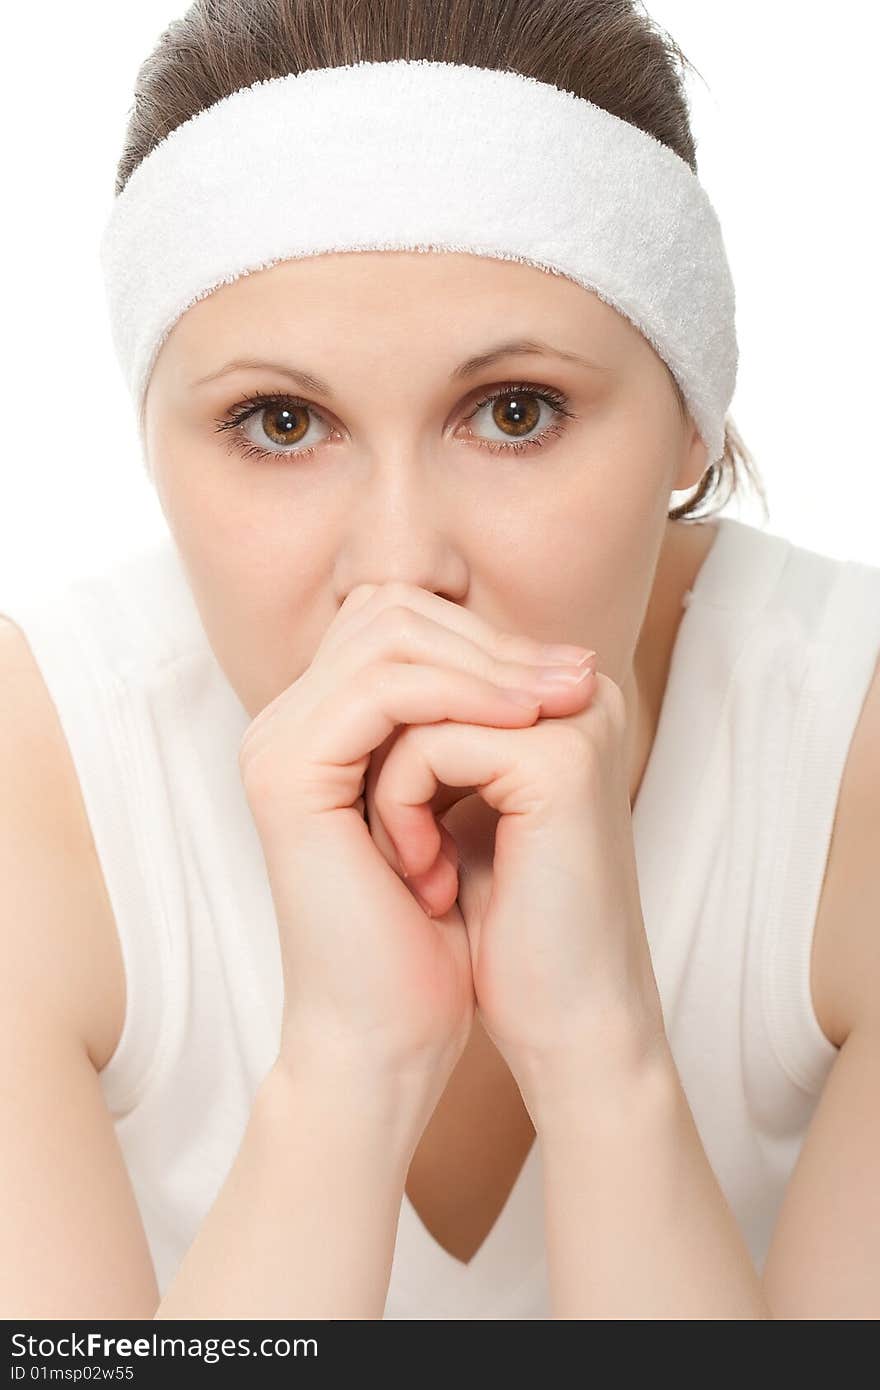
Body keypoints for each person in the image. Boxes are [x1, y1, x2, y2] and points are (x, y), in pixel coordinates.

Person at [1, 0, 878, 1322]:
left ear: (692, 425)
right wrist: (347, 1067)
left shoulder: (848, 749)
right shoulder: (38, 773)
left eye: (514, 413)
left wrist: (604, 1058)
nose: (403, 568)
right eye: (280, 421)